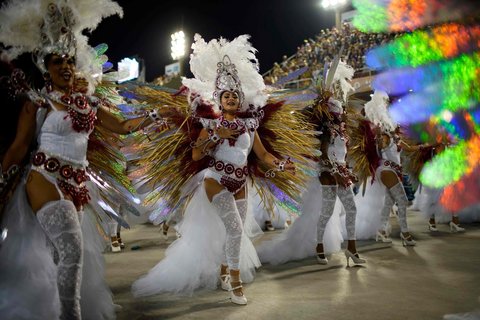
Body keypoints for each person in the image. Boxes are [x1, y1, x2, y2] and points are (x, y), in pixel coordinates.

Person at [0, 1, 165, 318]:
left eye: (68, 61)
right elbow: (19, 147)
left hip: (76, 183)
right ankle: (70, 315)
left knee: (60, 254)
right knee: (73, 250)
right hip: (43, 179)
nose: (64, 66)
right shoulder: (38, 103)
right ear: (45, 66)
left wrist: (150, 117)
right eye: (56, 62)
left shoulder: (87, 102)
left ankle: (50, 307)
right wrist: (3, 176)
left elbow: (121, 126)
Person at [132, 35, 303, 305]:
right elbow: (197, 153)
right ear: (219, 99)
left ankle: (225, 271)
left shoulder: (250, 126)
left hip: (240, 182)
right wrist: (215, 136)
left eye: (235, 95)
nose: (232, 98)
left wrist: (282, 164)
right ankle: (235, 284)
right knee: (235, 230)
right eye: (227, 95)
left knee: (236, 231)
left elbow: (263, 154)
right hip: (216, 180)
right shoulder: (208, 125)